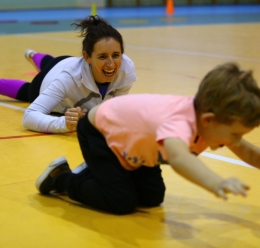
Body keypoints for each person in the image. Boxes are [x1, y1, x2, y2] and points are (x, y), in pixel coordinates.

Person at [35, 62, 260, 215]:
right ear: (209, 120)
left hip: (133, 145)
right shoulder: (180, 123)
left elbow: (249, 152)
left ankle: (98, 171)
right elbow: (180, 158)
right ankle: (62, 179)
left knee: (152, 198)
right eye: (236, 135)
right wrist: (216, 182)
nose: (237, 141)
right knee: (121, 202)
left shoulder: (213, 121)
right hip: (100, 133)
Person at [0, 15, 137, 133]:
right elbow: (28, 117)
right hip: (45, 81)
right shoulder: (69, 78)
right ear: (86, 56)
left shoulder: (126, 70)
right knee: (28, 89)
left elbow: (111, 110)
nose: (111, 64)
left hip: (65, 61)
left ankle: (33, 55)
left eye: (116, 55)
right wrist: (64, 123)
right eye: (102, 57)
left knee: (49, 62)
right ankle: (33, 56)